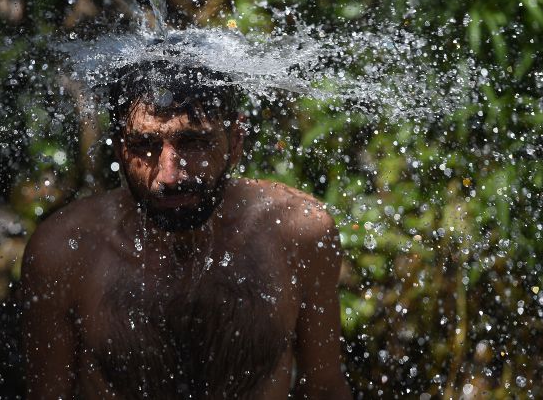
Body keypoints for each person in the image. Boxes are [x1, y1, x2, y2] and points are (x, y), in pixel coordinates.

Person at [21, 60, 353, 399]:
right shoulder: (65, 251)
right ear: (120, 147)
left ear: (235, 142)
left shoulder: (299, 232)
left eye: (194, 142)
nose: (170, 175)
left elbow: (323, 387)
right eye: (144, 145)